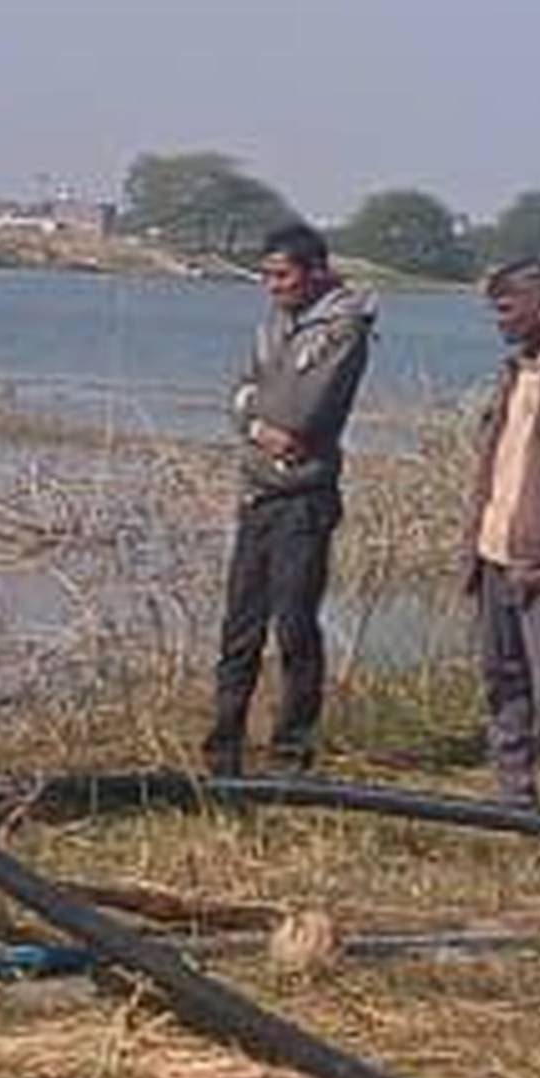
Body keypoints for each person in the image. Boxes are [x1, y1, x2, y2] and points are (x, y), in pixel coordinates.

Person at [206, 221, 377, 775]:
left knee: (294, 627)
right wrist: (259, 419)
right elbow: (236, 398)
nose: (272, 286)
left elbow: (302, 415)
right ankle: (223, 747)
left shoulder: (342, 329)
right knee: (239, 627)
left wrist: (256, 407)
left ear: (315, 273)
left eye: (282, 275)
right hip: (257, 492)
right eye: (266, 276)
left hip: (303, 499)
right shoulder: (275, 325)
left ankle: (290, 752)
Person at [460, 258, 540, 810]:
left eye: (507, 307)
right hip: (494, 551)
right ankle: (515, 798)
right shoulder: (515, 370)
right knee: (502, 682)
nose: (500, 319)